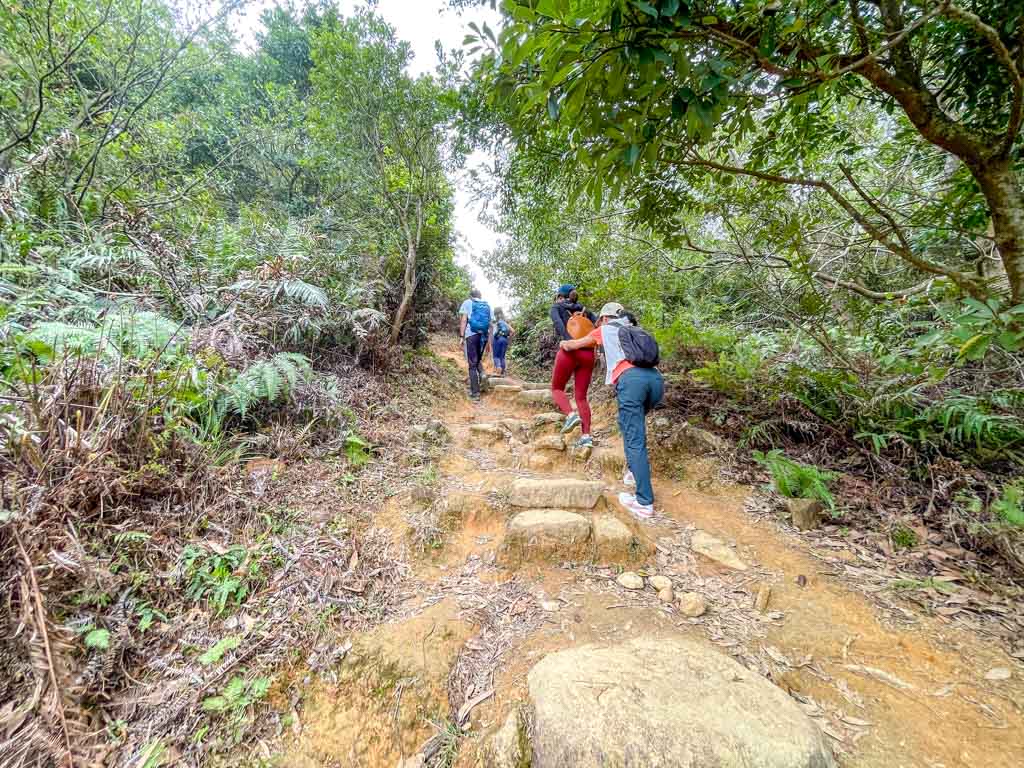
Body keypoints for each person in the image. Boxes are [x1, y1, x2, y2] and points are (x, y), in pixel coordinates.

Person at [559, 302, 664, 520]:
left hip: (631, 382)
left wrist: (564, 343)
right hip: (655, 381)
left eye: (600, 319)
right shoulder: (637, 329)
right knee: (628, 427)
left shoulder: (605, 329)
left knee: (634, 439)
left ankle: (644, 502)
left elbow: (575, 344)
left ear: (606, 318)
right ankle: (635, 472)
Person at [549, 284, 598, 448]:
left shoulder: (556, 307)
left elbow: (559, 326)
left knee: (557, 388)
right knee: (581, 397)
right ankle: (586, 437)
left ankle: (570, 415)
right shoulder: (586, 310)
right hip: (588, 354)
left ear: (560, 296)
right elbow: (598, 328)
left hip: (569, 351)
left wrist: (569, 341)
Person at [458, 288, 491, 400]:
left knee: (472, 364)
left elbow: (463, 320)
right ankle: (482, 374)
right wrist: (488, 344)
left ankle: (475, 393)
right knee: (477, 360)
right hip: (484, 336)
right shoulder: (487, 305)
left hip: (471, 335)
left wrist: (461, 336)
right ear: (480, 296)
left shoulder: (467, 302)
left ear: (470, 296)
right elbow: (490, 325)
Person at [491, 307, 513, 376]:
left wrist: (491, 343)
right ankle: (502, 373)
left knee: (495, 357)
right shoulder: (505, 322)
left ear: (495, 314)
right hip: (505, 339)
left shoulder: (495, 323)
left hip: (497, 339)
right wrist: (509, 340)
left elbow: (492, 334)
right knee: (502, 357)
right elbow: (513, 331)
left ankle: (498, 368)